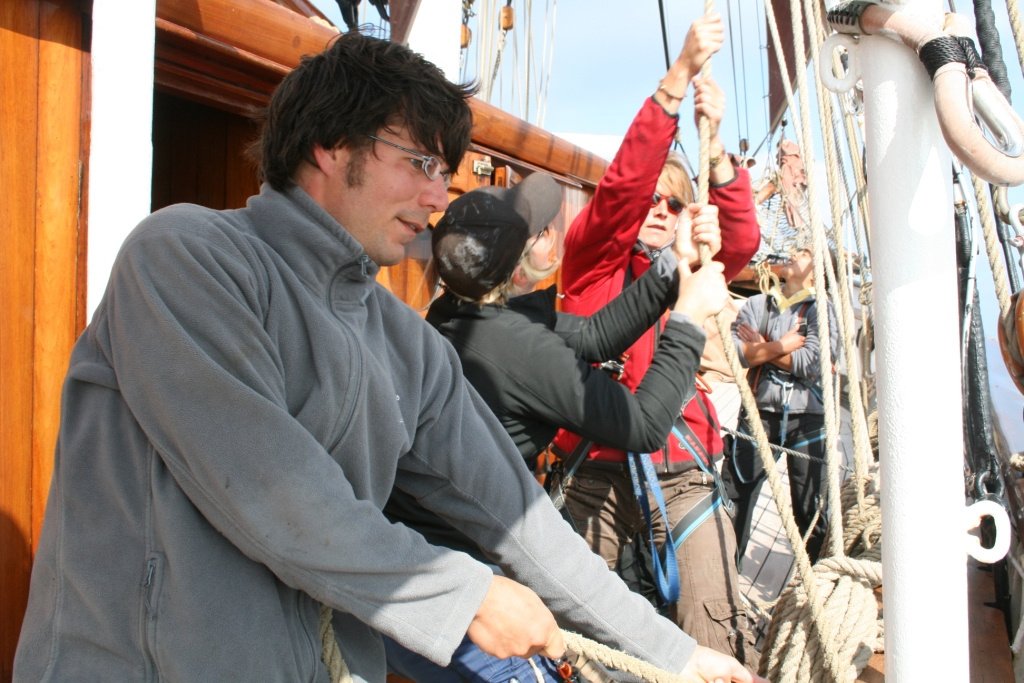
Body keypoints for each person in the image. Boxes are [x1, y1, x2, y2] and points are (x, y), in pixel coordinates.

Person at [13, 33, 762, 683]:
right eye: (420, 163)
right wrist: (463, 596)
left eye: (445, 171)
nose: (439, 196)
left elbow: (521, 518)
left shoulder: (404, 342)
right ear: (330, 147)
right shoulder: (183, 256)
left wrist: (674, 654)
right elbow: (274, 489)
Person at [383, 172, 731, 680]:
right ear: (520, 267)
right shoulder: (517, 347)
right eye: (543, 230)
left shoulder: (458, 314)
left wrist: (673, 265)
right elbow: (643, 425)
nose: (554, 236)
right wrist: (689, 319)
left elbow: (594, 336)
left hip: (423, 568)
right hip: (466, 591)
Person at [550, 13, 763, 667]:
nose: (660, 211)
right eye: (654, 201)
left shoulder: (688, 274)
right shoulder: (594, 265)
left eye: (674, 204)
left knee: (718, 632)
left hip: (682, 474)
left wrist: (719, 148)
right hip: (593, 473)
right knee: (576, 639)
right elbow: (619, 193)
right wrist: (678, 78)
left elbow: (743, 240)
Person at [722, 244, 839, 567]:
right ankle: (726, 579)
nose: (792, 253)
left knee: (810, 508)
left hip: (808, 421)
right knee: (735, 497)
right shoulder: (757, 305)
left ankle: (815, 582)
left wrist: (764, 348)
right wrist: (783, 345)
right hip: (760, 414)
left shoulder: (822, 310)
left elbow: (812, 362)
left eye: (803, 252)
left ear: (818, 270)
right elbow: (737, 354)